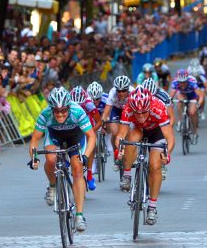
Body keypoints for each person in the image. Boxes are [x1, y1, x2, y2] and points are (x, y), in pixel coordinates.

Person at [28, 87, 96, 232]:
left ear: (69, 107)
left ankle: (79, 215)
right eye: (56, 111)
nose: (60, 114)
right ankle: (52, 185)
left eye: (64, 110)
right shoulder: (45, 114)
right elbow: (35, 139)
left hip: (75, 138)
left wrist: (85, 156)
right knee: (51, 159)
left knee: (77, 171)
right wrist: (33, 157)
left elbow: (91, 136)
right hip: (55, 137)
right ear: (51, 108)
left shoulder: (78, 111)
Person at [115, 86, 174, 225]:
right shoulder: (128, 107)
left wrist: (167, 154)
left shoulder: (158, 107)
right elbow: (120, 135)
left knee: (155, 165)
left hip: (156, 132)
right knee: (129, 141)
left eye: (144, 113)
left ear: (150, 107)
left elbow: (170, 138)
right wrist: (120, 149)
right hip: (138, 130)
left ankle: (152, 207)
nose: (141, 117)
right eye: (137, 113)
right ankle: (127, 175)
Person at [70, 86, 102, 191]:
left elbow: (99, 122)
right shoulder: (67, 104)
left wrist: (91, 133)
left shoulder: (89, 103)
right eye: (76, 105)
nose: (78, 107)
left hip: (86, 122)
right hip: (73, 124)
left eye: (80, 105)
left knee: (90, 141)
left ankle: (89, 175)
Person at [100, 75, 134, 172]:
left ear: (128, 89)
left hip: (129, 110)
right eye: (119, 91)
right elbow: (106, 111)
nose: (121, 93)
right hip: (116, 110)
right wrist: (103, 123)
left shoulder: (133, 92)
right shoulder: (112, 93)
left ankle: (128, 152)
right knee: (115, 132)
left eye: (124, 91)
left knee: (129, 132)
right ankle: (116, 154)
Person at [168, 69, 203, 144]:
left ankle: (195, 133)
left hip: (193, 95)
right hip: (182, 94)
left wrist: (198, 104)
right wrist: (170, 102)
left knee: (192, 112)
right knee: (179, 102)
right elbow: (170, 96)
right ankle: (180, 121)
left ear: (187, 80)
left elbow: (201, 96)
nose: (182, 84)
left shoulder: (192, 82)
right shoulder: (175, 83)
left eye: (184, 82)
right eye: (180, 83)